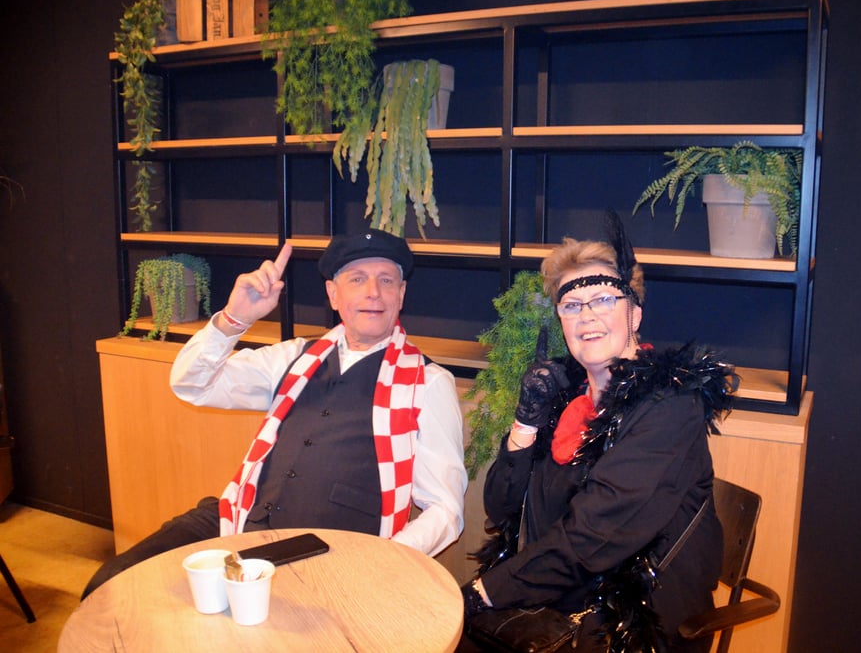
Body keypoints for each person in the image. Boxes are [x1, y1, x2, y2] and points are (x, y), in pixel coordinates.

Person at [83, 229, 467, 598]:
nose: (373, 292)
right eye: (357, 279)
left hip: (327, 550)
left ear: (401, 294)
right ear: (333, 295)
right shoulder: (293, 357)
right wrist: (233, 319)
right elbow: (193, 384)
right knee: (112, 582)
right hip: (237, 516)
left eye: (386, 280)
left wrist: (383, 558)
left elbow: (445, 509)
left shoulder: (428, 383)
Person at [461, 212, 737, 652]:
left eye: (604, 299)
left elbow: (593, 536)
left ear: (635, 315)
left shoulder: (669, 406)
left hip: (630, 623)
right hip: (552, 603)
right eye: (572, 305)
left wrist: (483, 594)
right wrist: (526, 420)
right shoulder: (565, 399)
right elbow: (501, 507)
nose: (586, 315)